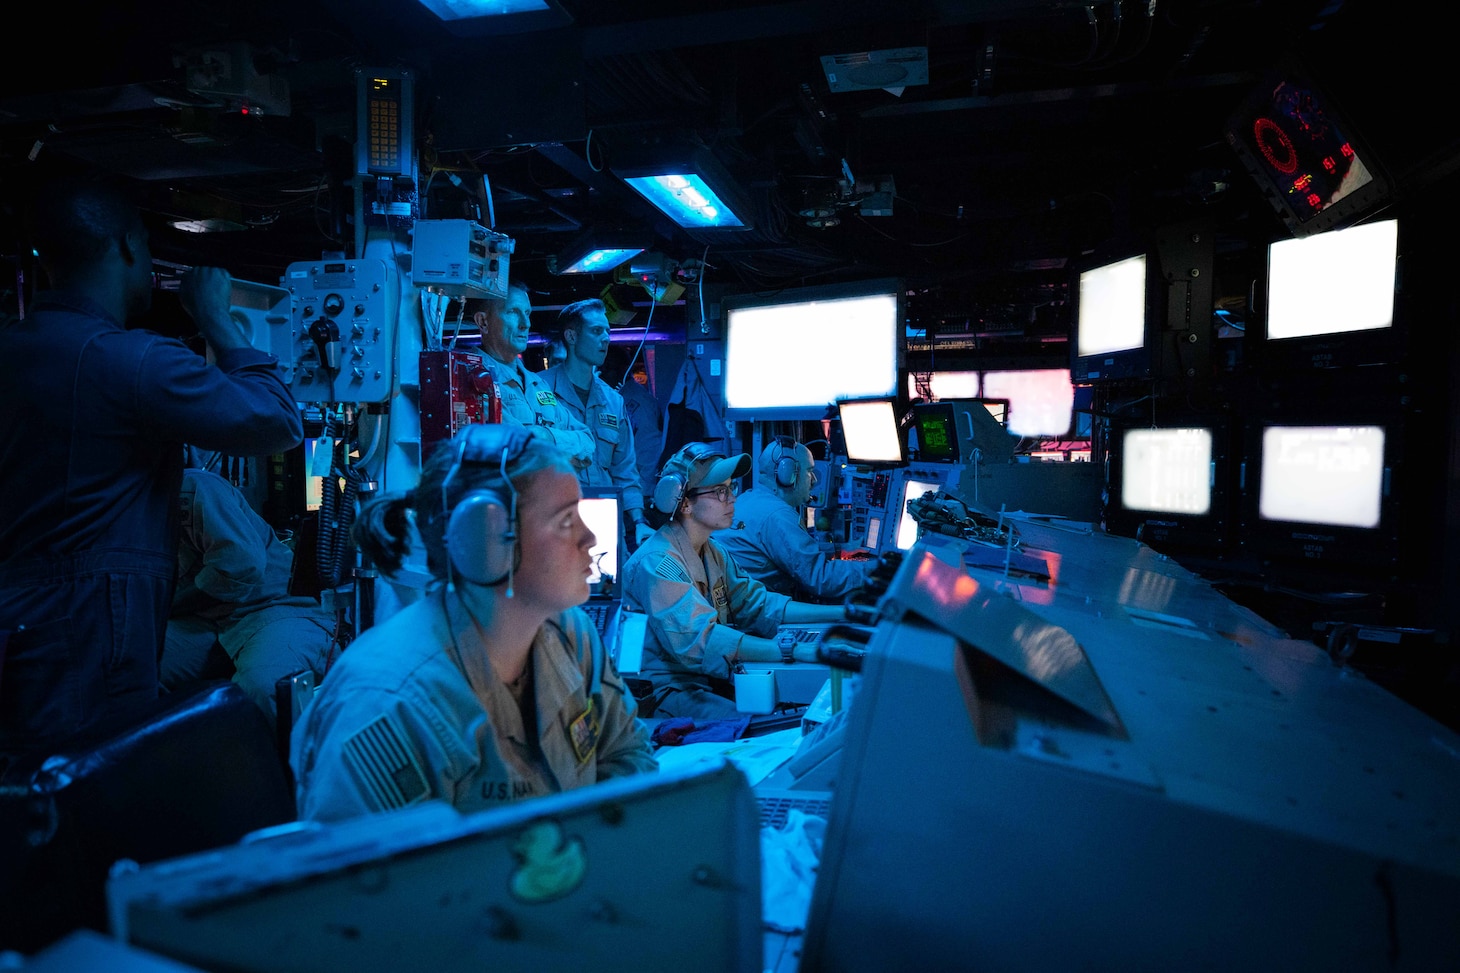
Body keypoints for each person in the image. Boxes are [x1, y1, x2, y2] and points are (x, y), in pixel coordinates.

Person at [0, 172, 303, 763]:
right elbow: (276, 423)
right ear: (128, 247)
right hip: (89, 630)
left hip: (18, 628)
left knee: (26, 802)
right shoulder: (129, 361)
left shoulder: (13, 353)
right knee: (98, 795)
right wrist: (218, 319)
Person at [290, 424, 656, 822]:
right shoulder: (387, 704)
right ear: (485, 538)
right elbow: (375, 880)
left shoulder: (572, 634)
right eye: (566, 521)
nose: (590, 538)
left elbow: (627, 754)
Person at [620, 441, 846, 721]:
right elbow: (702, 641)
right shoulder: (656, 564)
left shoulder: (712, 551)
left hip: (708, 682)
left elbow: (760, 605)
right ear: (685, 503)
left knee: (792, 711)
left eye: (731, 488)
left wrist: (845, 614)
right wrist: (795, 650)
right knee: (763, 725)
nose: (731, 499)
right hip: (667, 694)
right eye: (719, 491)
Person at [162, 466, 338, 730]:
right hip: (211, 621)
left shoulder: (194, 488)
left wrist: (165, 607)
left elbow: (239, 566)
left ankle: (279, 770)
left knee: (263, 687)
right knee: (123, 661)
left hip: (273, 611)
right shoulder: (124, 511)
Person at [540, 298, 654, 549]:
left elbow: (624, 468)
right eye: (596, 331)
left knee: (611, 588)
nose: (605, 339)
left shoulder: (613, 401)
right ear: (571, 336)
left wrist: (638, 521)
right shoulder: (539, 391)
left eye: (607, 331)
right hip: (556, 521)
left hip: (603, 522)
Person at [715, 436, 874, 603]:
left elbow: (790, 552)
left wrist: (839, 549)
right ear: (788, 474)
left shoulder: (749, 499)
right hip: (756, 615)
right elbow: (821, 578)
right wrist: (876, 568)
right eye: (809, 471)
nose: (815, 479)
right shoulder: (777, 515)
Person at [470, 281, 596, 471]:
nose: (526, 324)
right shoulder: (474, 380)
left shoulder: (538, 384)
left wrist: (546, 436)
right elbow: (519, 446)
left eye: (527, 313)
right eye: (513, 312)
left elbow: (587, 441)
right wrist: (564, 449)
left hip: (551, 497)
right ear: (483, 322)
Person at [619, 359, 666, 521]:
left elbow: (649, 447)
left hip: (636, 492)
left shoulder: (636, 402)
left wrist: (645, 494)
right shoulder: (616, 397)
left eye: (608, 366)